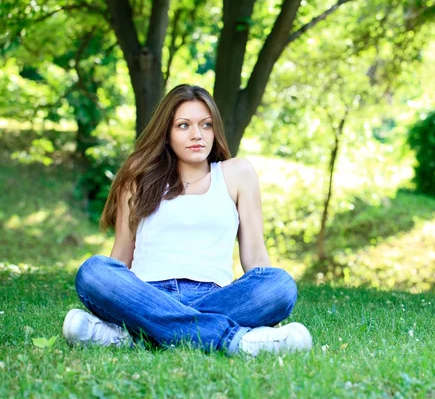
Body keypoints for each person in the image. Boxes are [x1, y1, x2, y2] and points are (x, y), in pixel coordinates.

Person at [62, 84, 312, 356]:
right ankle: (236, 341)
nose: (197, 135)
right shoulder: (138, 178)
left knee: (280, 285)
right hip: (147, 296)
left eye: (206, 125)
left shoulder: (237, 173)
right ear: (166, 133)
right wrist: (116, 295)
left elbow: (255, 257)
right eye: (183, 125)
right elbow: (121, 258)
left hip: (217, 298)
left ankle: (137, 336)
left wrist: (267, 301)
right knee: (94, 270)